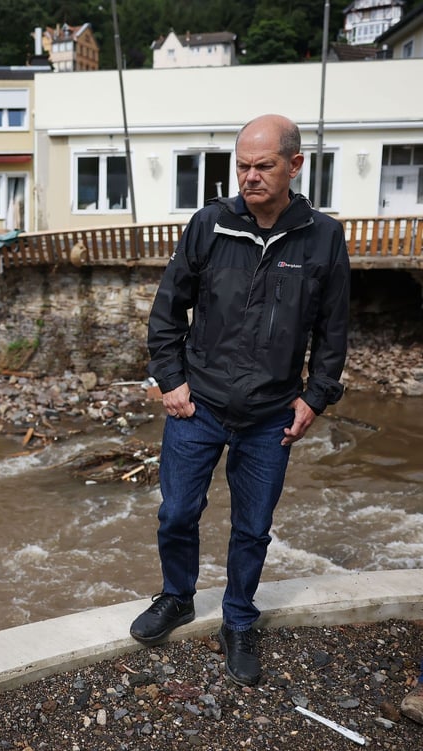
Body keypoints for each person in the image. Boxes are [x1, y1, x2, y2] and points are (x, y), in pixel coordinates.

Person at [130, 114, 350, 687]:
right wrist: (168, 378)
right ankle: (177, 597)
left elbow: (333, 330)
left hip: (271, 413)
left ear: (294, 166)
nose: (249, 177)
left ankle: (238, 619)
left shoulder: (322, 236)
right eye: (242, 166)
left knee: (252, 528)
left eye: (263, 166)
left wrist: (315, 398)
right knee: (177, 512)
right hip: (197, 405)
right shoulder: (210, 225)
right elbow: (166, 309)